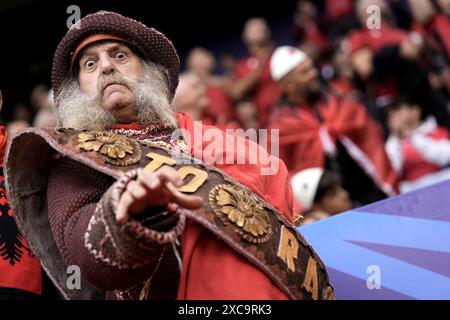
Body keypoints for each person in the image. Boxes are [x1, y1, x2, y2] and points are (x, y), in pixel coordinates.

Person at [5, 11, 334, 300]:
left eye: (120, 55)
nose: (106, 66)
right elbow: (88, 260)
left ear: (147, 72)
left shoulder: (219, 140)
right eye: (90, 64)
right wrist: (131, 215)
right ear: (77, 88)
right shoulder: (73, 159)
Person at [268, 46, 398, 206]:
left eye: (311, 68)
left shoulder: (337, 98)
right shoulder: (281, 125)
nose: (314, 74)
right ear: (288, 85)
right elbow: (282, 172)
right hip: (328, 203)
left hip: (369, 188)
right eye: (304, 72)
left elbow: (369, 133)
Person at [385, 99, 450, 193]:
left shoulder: (435, 131)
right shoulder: (392, 144)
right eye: (392, 115)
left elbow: (445, 157)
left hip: (442, 183)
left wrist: (413, 136)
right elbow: (392, 174)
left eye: (399, 111)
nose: (396, 117)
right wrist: (395, 137)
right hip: (412, 191)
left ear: (416, 111)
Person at [231, 18, 281, 128]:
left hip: (292, 112)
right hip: (267, 122)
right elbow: (236, 92)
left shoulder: (280, 54)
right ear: (246, 37)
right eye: (253, 27)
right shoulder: (243, 65)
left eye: (262, 25)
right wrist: (258, 70)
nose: (260, 27)